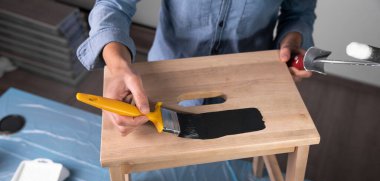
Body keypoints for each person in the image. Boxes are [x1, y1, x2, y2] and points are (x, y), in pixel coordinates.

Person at [77, 0, 317, 135]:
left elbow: (299, 13)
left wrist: (291, 42)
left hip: (249, 86)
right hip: (164, 83)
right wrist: (118, 66)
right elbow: (113, 5)